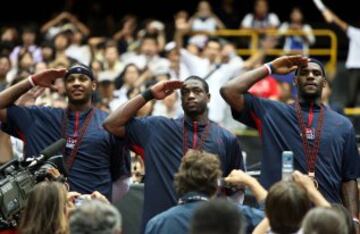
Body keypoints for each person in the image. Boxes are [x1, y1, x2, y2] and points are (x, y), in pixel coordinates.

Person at [220, 55, 360, 217]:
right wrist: (270, 68)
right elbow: (229, 91)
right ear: (295, 81)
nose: (310, 76)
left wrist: (354, 220)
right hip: (279, 214)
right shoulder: (271, 112)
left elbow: (349, 179)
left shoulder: (342, 125)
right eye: (304, 72)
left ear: (324, 83)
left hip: (325, 215)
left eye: (316, 73)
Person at [103, 77, 244, 229]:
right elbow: (111, 124)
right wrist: (149, 94)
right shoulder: (157, 128)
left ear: (208, 98)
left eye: (197, 91)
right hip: (161, 228)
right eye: (185, 92)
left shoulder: (226, 139)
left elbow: (236, 190)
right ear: (181, 99)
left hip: (205, 228)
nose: (190, 95)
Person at [0, 65, 130, 201]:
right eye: (71, 80)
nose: (76, 83)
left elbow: (122, 180)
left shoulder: (108, 124)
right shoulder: (40, 118)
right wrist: (32, 81)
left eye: (82, 79)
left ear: (93, 86)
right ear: (64, 87)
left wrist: (99, 205)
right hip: (46, 210)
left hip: (89, 212)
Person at [321, 8, 360, 107]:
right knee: (351, 98)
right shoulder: (355, 32)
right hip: (354, 68)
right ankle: (349, 118)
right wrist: (330, 15)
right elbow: (340, 23)